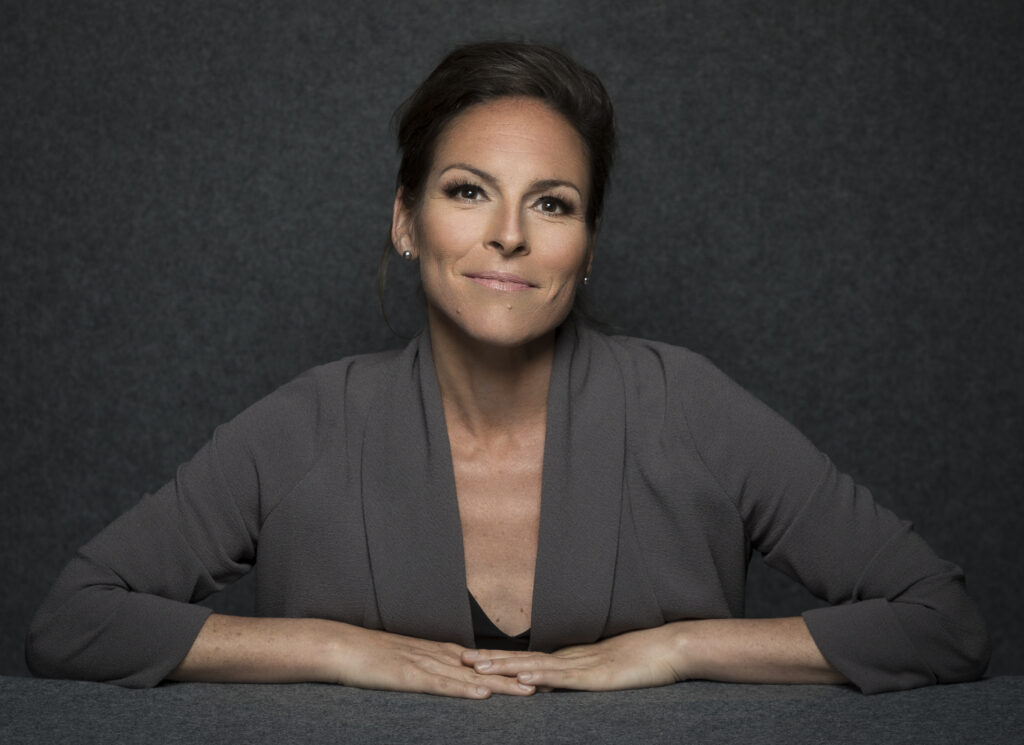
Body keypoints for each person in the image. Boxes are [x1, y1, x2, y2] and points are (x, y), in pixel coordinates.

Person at [26, 41, 989, 698]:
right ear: (406, 220)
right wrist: (334, 648)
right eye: (468, 191)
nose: (509, 235)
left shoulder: (687, 406)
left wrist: (679, 648)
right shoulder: (305, 424)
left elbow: (941, 621)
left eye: (553, 203)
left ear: (588, 245)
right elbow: (74, 621)